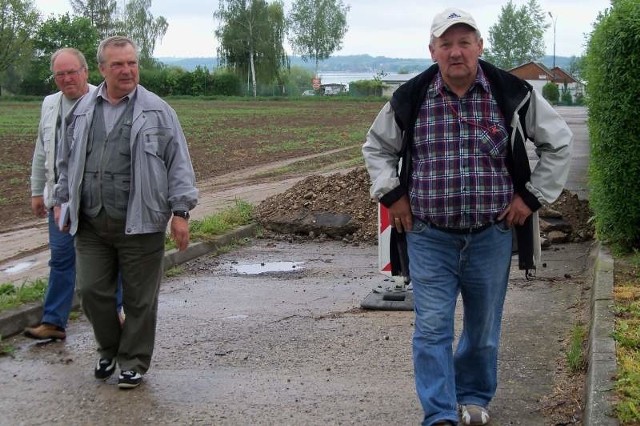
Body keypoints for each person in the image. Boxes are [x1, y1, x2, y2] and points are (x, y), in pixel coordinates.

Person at [362, 8, 572, 426]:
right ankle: (440, 413)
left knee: (482, 329)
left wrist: (530, 197)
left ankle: (474, 397)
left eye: (464, 42)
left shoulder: (510, 92)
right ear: (433, 51)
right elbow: (377, 149)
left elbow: (559, 143)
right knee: (432, 327)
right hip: (427, 234)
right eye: (446, 44)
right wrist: (394, 196)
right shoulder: (411, 96)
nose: (455, 52)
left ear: (479, 46)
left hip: (491, 235)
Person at [54, 35, 198, 389]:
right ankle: (109, 348)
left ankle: (132, 360)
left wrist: (180, 212)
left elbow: (179, 164)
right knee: (91, 291)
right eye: (117, 64)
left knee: (139, 300)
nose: (126, 70)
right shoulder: (83, 109)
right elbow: (65, 160)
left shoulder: (158, 111)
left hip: (142, 221)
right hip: (90, 221)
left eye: (132, 63)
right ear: (102, 69)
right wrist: (62, 200)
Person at [24, 48, 94, 341]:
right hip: (58, 200)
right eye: (60, 74)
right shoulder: (50, 104)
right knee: (62, 257)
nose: (67, 79)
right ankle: (54, 322)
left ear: (86, 72)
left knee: (105, 259)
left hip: (94, 198)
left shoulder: (101, 100)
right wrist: (37, 190)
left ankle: (115, 312)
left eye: (72, 72)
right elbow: (43, 149)